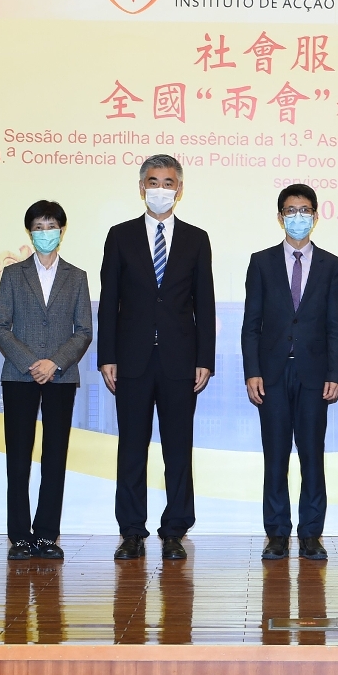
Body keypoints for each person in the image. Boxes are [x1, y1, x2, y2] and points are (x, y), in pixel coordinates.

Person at [98, 155, 216, 561]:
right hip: (130, 360)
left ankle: (175, 530)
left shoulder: (197, 239)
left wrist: (205, 359)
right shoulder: (120, 236)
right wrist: (107, 355)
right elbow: (109, 300)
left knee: (178, 450)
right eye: (153, 181)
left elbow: (205, 303)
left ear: (179, 189)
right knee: (131, 448)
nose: (160, 189)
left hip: (180, 361)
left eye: (168, 182)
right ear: (141, 187)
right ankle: (131, 531)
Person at [241, 184, 338, 561]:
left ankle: (311, 534)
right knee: (276, 457)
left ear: (315, 216)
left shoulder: (332, 265)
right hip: (271, 374)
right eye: (290, 211)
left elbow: (337, 326)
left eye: (304, 210)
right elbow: (251, 323)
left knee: (312, 456)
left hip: (314, 375)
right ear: (280, 217)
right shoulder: (261, 262)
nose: (298, 217)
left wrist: (335, 373)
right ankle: (276, 533)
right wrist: (252, 371)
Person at [0, 200, 92, 561]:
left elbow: (84, 331)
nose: (44, 232)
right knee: (18, 459)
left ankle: (47, 535)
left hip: (61, 378)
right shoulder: (13, 274)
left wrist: (55, 363)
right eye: (38, 227)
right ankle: (20, 537)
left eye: (51, 226)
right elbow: (0, 327)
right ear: (29, 232)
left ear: (61, 231)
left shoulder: (76, 276)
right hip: (19, 375)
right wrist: (32, 362)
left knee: (54, 457)